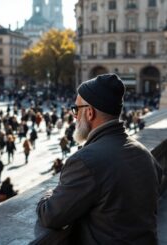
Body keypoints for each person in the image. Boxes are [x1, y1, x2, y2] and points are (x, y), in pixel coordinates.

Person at [37, 74, 162, 244]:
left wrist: (47, 194)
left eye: (76, 109)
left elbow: (51, 214)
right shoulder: (144, 154)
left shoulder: (86, 161)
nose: (74, 116)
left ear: (89, 113)